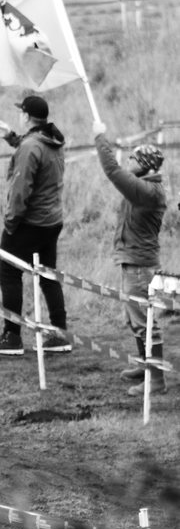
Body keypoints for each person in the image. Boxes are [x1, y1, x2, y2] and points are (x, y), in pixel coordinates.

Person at [0, 94, 69, 355]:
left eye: (21, 112)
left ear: (27, 116)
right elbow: (32, 150)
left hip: (29, 221)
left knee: (9, 273)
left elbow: (20, 191)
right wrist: (11, 137)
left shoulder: (31, 146)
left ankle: (12, 336)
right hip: (51, 220)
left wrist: (10, 222)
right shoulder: (51, 140)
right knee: (48, 276)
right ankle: (60, 333)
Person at [93, 123, 168, 393]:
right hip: (134, 261)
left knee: (144, 322)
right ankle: (145, 367)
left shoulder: (146, 191)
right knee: (135, 319)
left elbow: (112, 171)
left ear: (146, 166)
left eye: (134, 159)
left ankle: (156, 380)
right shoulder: (142, 187)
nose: (129, 162)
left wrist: (99, 136)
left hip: (140, 266)